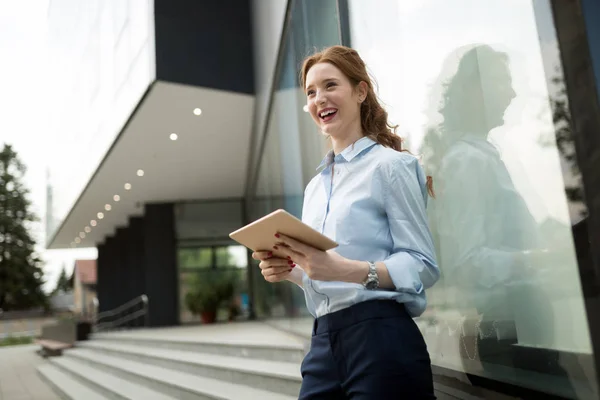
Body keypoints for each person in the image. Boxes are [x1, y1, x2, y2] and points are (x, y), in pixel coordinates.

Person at [252, 45, 440, 399]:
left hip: (381, 339)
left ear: (360, 91)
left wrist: (344, 270)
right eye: (310, 92)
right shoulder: (314, 187)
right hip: (323, 341)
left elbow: (422, 265)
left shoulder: (391, 167)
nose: (319, 98)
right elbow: (326, 272)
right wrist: (293, 271)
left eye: (330, 85)